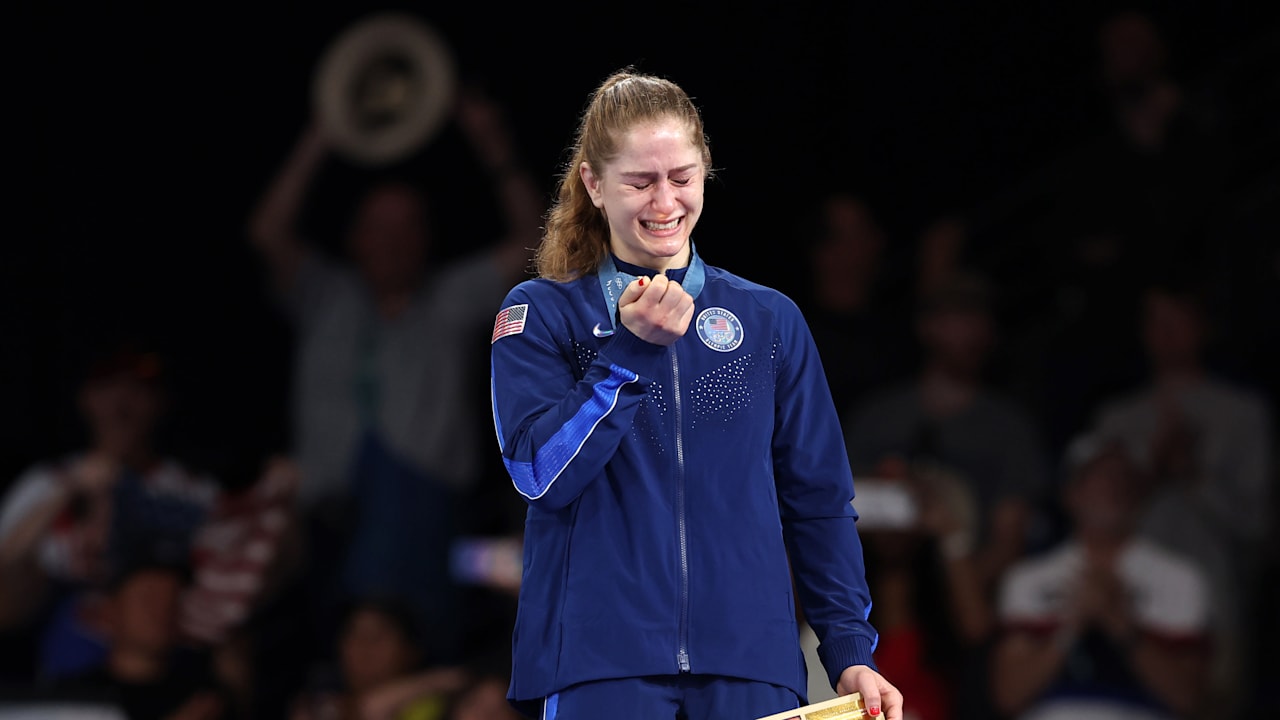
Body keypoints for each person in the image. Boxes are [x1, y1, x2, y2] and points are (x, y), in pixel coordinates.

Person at [488, 69, 902, 720]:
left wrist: (850, 649)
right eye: (639, 181)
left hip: (752, 662)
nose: (664, 202)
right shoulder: (542, 314)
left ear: (706, 171)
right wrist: (629, 352)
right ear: (594, 185)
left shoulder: (768, 320)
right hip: (602, 663)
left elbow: (819, 502)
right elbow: (539, 472)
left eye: (682, 177)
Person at [246, 84, 541, 662]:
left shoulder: (448, 300)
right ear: (354, 238)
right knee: (332, 656)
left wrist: (493, 147)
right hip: (326, 519)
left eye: (408, 227)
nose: (393, 240)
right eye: (379, 226)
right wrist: (322, 135)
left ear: (426, 240)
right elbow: (266, 233)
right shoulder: (325, 294)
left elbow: (537, 246)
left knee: (418, 656)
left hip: (423, 520)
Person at [990, 436, 1210, 720]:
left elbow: (1189, 699)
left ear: (1137, 494)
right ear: (1071, 493)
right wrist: (1072, 626)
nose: (1109, 488)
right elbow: (1008, 696)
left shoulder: (1181, 579)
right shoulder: (1027, 579)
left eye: (1120, 479)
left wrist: (1121, 624)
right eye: (1096, 478)